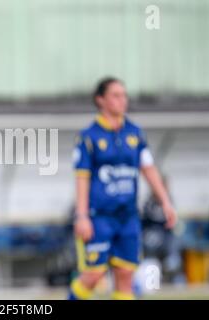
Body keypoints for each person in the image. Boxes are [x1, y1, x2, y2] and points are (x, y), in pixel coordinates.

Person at [68, 77, 177, 300]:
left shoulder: (135, 134)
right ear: (101, 100)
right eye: (116, 95)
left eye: (124, 95)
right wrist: (81, 216)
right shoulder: (89, 137)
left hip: (128, 217)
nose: (122, 100)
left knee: (126, 274)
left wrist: (165, 202)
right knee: (93, 275)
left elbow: (148, 169)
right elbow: (82, 178)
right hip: (98, 217)